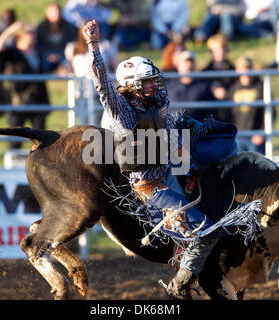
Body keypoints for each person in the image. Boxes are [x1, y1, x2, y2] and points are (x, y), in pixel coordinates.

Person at [83, 19, 227, 300]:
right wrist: (94, 45)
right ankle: (180, 284)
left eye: (153, 79)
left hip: (170, 172)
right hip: (149, 187)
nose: (154, 85)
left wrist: (190, 157)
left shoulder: (159, 101)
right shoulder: (121, 111)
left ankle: (193, 271)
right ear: (132, 85)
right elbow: (102, 83)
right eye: (147, 81)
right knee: (205, 230)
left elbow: (172, 138)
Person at [0, 21, 50, 150]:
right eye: (30, 34)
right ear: (21, 36)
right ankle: (12, 164)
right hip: (18, 100)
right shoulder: (12, 53)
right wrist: (10, 30)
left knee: (41, 139)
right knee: (16, 138)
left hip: (38, 100)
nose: (34, 36)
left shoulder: (38, 51)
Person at [64, 28, 119, 127]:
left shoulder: (106, 46)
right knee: (85, 125)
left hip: (102, 91)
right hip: (82, 92)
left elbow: (116, 67)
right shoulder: (73, 47)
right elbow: (69, 69)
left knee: (102, 124)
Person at [228, 56, 267, 154]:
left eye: (248, 68)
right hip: (237, 135)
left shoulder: (260, 86)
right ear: (237, 70)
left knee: (257, 165)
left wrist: (262, 131)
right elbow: (227, 113)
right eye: (243, 68)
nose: (246, 71)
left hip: (255, 135)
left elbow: (270, 111)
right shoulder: (233, 88)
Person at [168, 50, 218, 122]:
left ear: (195, 65)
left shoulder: (203, 87)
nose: (189, 65)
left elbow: (212, 113)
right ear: (178, 65)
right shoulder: (170, 87)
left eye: (192, 62)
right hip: (175, 129)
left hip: (197, 130)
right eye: (185, 62)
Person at [37, 2, 78, 73]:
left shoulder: (68, 27)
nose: (57, 14)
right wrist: (48, 55)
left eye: (58, 11)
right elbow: (39, 45)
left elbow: (72, 43)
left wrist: (60, 55)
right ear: (47, 13)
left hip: (64, 55)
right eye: (54, 12)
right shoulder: (41, 28)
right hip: (46, 56)